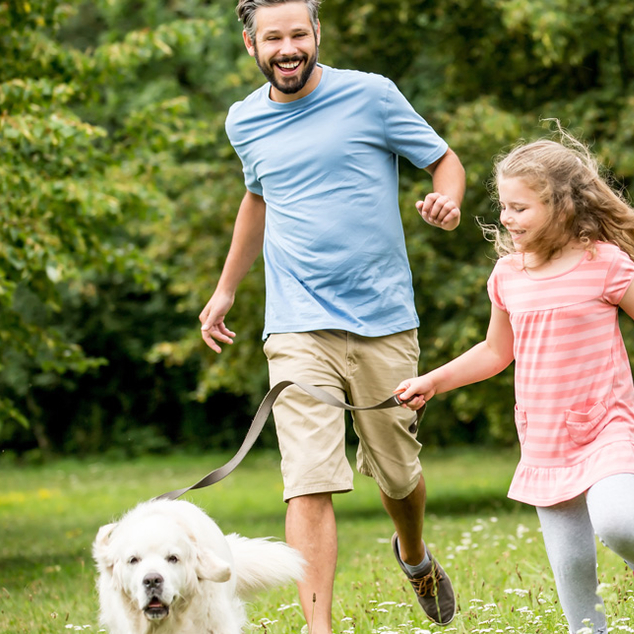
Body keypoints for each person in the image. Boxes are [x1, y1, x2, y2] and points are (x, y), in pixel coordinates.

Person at [393, 135, 634, 634]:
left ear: (559, 205)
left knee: (618, 521)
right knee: (575, 581)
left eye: (519, 207)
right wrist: (433, 381)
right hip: (545, 440)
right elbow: (495, 351)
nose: (507, 218)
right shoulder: (508, 274)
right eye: (503, 207)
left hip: (605, 426)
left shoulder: (604, 263)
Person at [198, 0, 465, 630]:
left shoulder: (371, 96)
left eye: (297, 33)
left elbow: (443, 161)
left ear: (317, 33)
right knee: (308, 480)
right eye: (272, 38)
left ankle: (413, 551)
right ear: (250, 45)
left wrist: (448, 201)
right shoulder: (243, 121)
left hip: (383, 316)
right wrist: (226, 288)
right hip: (295, 323)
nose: (286, 48)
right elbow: (257, 198)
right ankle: (318, 627)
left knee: (399, 474)